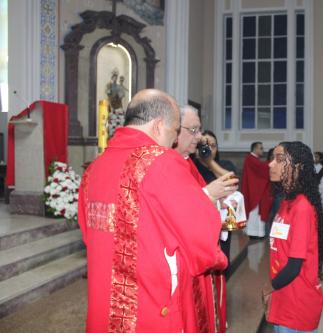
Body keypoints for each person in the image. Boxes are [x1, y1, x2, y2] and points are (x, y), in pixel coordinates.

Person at [78, 90, 228, 332]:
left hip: (106, 304)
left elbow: (88, 233)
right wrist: (217, 258)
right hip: (150, 306)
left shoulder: (94, 168)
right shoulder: (162, 161)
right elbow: (200, 235)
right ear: (159, 126)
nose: (174, 141)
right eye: (175, 130)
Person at [174, 105, 238, 333]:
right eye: (193, 130)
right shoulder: (171, 162)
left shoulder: (189, 162)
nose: (199, 136)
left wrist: (216, 200)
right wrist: (210, 194)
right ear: (174, 129)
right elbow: (176, 211)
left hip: (207, 247)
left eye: (199, 130)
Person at [262, 141, 323, 333]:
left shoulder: (302, 207)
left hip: (297, 304)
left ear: (297, 167)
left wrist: (268, 287)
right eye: (272, 158)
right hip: (284, 297)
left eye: (280, 160)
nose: (271, 164)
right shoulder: (286, 201)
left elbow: (294, 266)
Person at [193, 129, 237, 276]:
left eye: (213, 145)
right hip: (200, 224)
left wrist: (210, 162)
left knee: (222, 263)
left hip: (222, 223)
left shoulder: (224, 164)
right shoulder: (192, 166)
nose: (209, 148)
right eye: (204, 145)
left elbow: (232, 181)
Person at [242, 141, 273, 238]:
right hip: (254, 191)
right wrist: (272, 163)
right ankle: (253, 233)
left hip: (255, 190)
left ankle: (257, 233)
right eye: (261, 148)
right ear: (255, 149)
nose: (262, 150)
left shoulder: (252, 159)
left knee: (257, 213)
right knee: (254, 213)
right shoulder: (251, 159)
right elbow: (263, 168)